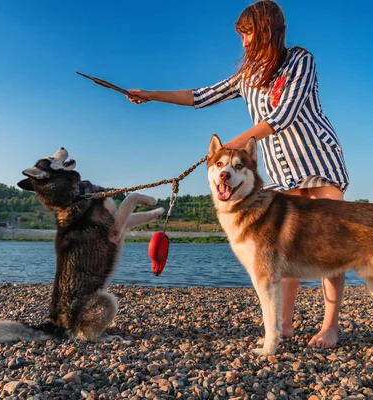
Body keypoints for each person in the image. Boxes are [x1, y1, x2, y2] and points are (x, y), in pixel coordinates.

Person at [126, 0, 350, 349]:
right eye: (241, 35)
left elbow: (282, 116)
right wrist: (153, 95)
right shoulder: (247, 75)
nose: (243, 42)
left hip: (318, 160)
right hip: (280, 170)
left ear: (265, 29)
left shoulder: (300, 60)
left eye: (247, 33)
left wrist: (224, 154)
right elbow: (202, 95)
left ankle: (330, 326)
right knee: (283, 247)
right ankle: (285, 325)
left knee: (332, 245)